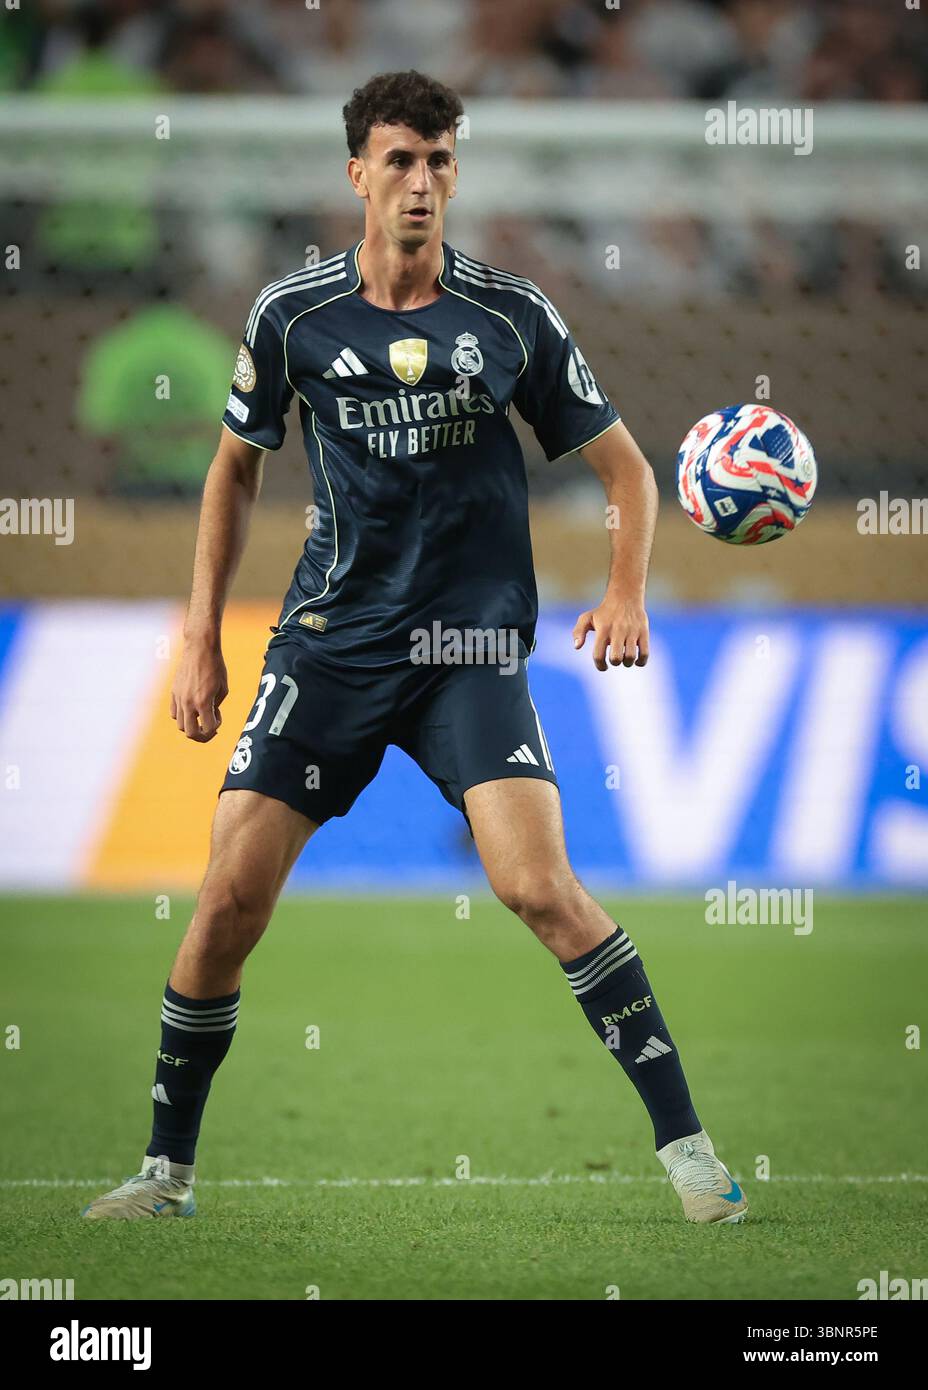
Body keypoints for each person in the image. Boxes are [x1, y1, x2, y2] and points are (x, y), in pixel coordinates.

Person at [83, 70, 746, 1226]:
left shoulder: (511, 316)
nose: (422, 182)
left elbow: (629, 471)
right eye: (399, 159)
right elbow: (233, 470)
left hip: (466, 650)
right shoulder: (292, 316)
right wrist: (199, 635)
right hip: (330, 647)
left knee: (540, 888)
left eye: (440, 160)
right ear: (357, 174)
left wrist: (627, 590)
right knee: (229, 897)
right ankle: (164, 1175)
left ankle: (690, 1152)